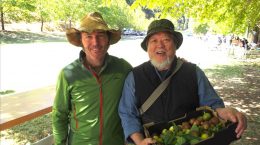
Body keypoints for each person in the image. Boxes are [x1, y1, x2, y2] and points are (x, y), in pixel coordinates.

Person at [118, 19, 247, 145]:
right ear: (148, 47)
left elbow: (213, 105)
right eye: (154, 41)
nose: (160, 45)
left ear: (175, 45)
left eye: (166, 40)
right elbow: (128, 114)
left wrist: (225, 112)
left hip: (190, 138)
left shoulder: (194, 73)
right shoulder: (134, 77)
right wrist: (139, 141)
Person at [52, 12, 132, 145]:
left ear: (108, 40)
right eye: (88, 36)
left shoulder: (123, 68)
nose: (95, 42)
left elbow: (138, 96)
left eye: (100, 35)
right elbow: (59, 114)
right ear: (81, 41)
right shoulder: (68, 75)